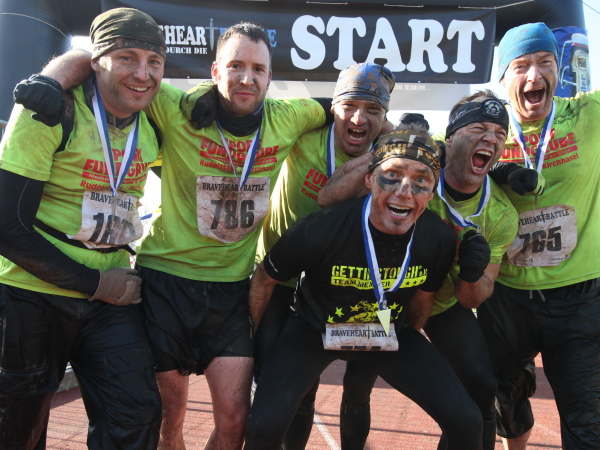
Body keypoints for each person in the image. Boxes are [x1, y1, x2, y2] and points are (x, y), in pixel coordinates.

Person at [14, 21, 331, 449]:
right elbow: (101, 63)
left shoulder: (290, 116)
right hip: (164, 281)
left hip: (229, 288)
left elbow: (342, 107)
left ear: (270, 77)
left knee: (234, 420)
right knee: (168, 421)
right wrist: (51, 80)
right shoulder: (174, 105)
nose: (247, 78)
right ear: (215, 71)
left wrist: (390, 133)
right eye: (235, 66)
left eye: (258, 69)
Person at [246, 127, 484, 450]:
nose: (405, 191)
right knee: (262, 427)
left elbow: (422, 300)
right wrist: (250, 341)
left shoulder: (437, 238)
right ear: (370, 179)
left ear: (431, 192)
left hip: (385, 332)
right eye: (392, 175)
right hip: (313, 330)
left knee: (467, 421)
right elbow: (264, 278)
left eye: (421, 180)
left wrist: (399, 340)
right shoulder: (322, 227)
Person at [0, 7, 165, 449]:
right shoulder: (49, 110)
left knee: (137, 416)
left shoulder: (155, 117)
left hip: (111, 301)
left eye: (154, 61)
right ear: (96, 61)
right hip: (32, 295)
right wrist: (95, 284)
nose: (142, 74)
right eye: (126, 58)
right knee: (18, 428)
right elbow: (6, 227)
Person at [319, 91, 521, 450]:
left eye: (499, 134)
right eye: (478, 129)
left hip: (441, 303)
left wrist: (472, 274)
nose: (490, 138)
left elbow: (473, 297)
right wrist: (386, 150)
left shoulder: (502, 214)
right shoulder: (416, 167)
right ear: (450, 138)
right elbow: (328, 198)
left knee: (481, 384)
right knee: (357, 384)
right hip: (385, 297)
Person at [253, 62, 394, 449]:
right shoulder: (306, 131)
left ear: (384, 117)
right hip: (280, 279)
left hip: (346, 288)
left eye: (372, 110)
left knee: (359, 388)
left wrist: (392, 137)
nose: (358, 119)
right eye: (349, 106)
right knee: (294, 390)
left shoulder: (389, 154)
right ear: (334, 107)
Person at [474, 22, 600, 450]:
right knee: (503, 401)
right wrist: (497, 169)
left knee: (586, 416)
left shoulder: (588, 114)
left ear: (558, 70)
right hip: (507, 296)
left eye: (545, 62)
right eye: (521, 66)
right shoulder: (487, 128)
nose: (534, 75)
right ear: (503, 78)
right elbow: (437, 154)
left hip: (579, 296)